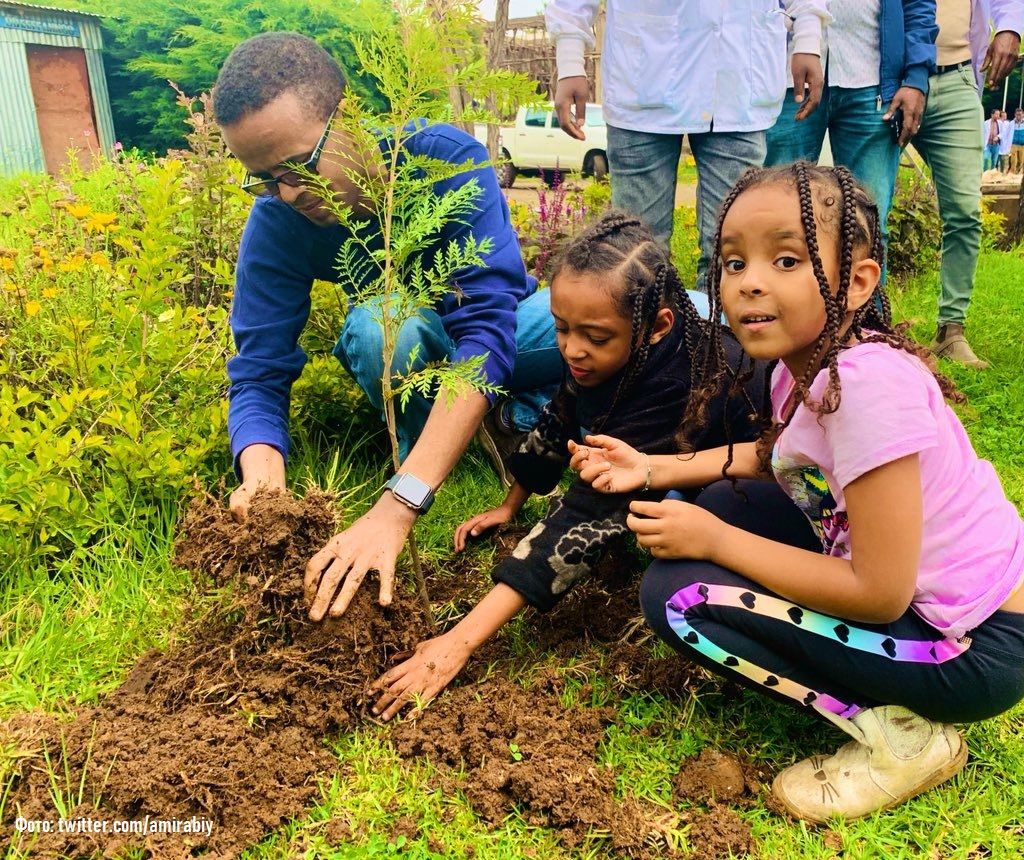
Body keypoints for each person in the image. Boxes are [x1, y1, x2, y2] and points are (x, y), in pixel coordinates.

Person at [572, 163, 1024, 821]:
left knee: (678, 598)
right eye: (732, 262)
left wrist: (716, 542)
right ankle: (763, 620)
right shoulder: (814, 364)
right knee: (733, 500)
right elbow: (780, 458)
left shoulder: (866, 392)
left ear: (858, 282)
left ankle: (902, 739)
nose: (749, 280)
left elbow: (879, 591)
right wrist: (654, 469)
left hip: (970, 650)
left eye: (787, 258)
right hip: (951, 614)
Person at [211, 32, 562, 619]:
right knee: (382, 331)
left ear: (345, 116)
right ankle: (439, 449)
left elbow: (488, 334)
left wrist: (398, 508)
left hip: (508, 328)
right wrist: (263, 474)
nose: (289, 192)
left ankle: (498, 419)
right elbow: (258, 370)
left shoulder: (441, 157)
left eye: (299, 165)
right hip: (413, 348)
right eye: (264, 177)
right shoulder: (277, 218)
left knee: (617, 317)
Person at [368, 213, 766, 720]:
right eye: (560, 328)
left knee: (692, 512)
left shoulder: (683, 378)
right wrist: (511, 503)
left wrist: (459, 641)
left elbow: (583, 516)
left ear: (657, 326)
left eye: (595, 338)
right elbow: (560, 416)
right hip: (663, 456)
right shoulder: (601, 351)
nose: (572, 349)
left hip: (754, 475)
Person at [545, 0, 829, 291]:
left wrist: (807, 37)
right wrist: (569, 62)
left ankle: (721, 336)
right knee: (637, 253)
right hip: (643, 79)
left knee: (731, 250)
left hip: (739, 80)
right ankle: (646, 335)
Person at [766, 0, 938, 253]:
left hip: (872, 82)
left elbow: (918, 5)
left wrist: (916, 76)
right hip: (789, 77)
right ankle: (783, 294)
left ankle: (866, 295)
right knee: (778, 218)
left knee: (868, 225)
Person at [917, 0, 1022, 369]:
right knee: (869, 211)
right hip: (888, 77)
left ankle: (951, 330)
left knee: (964, 211)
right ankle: (870, 329)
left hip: (959, 76)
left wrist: (1010, 28)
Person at [1012, 107, 1024, 173]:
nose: (1019, 116)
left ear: (1023, 115)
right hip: (1014, 144)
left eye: (1020, 114)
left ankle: (1018, 172)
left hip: (1022, 145)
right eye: (1017, 114)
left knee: (1021, 161)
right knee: (1013, 160)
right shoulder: (1011, 123)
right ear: (1015, 115)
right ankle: (1013, 174)